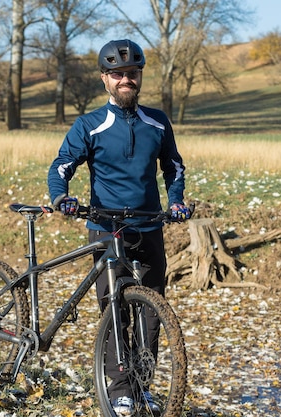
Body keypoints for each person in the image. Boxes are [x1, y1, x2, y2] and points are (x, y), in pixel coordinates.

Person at [47, 39, 190, 416]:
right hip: (106, 228)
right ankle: (120, 389)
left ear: (139, 77)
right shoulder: (90, 124)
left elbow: (174, 167)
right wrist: (61, 197)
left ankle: (143, 387)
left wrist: (175, 201)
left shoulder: (157, 121)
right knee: (115, 309)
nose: (126, 79)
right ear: (105, 79)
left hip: (149, 226)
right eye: (118, 74)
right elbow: (62, 164)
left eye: (132, 73)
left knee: (152, 311)